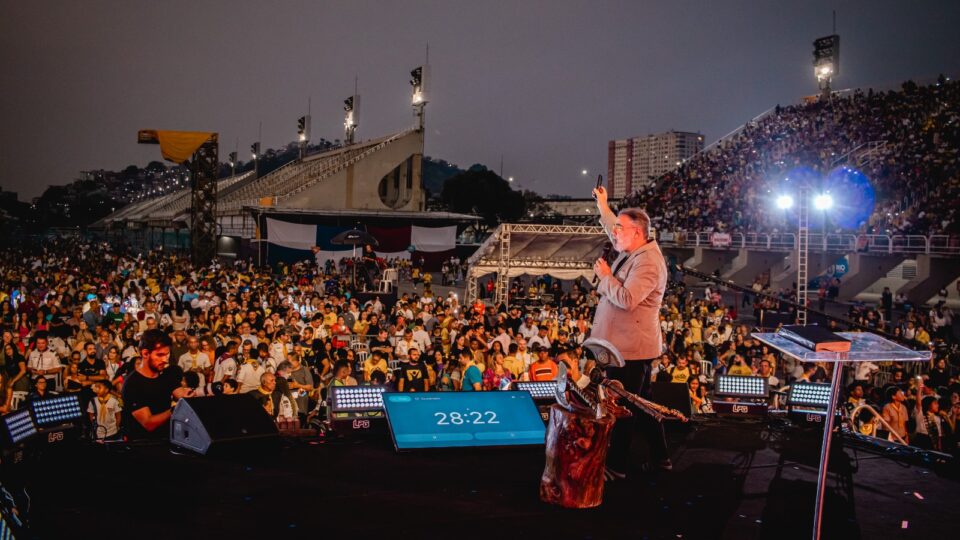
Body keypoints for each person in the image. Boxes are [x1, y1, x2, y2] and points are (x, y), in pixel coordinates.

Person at [591, 185, 670, 477]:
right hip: (626, 345)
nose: (614, 234)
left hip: (631, 349)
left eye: (621, 230)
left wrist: (607, 277)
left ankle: (616, 466)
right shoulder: (637, 246)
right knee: (642, 403)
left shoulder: (648, 262)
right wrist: (603, 204)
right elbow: (615, 224)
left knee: (622, 406)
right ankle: (662, 457)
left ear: (636, 232)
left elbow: (627, 299)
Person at [121, 329, 192, 440]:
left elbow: (183, 395)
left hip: (167, 440)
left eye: (167, 355)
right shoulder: (133, 384)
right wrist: (175, 409)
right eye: (160, 355)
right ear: (145, 353)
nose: (165, 360)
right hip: (143, 446)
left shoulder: (166, 374)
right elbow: (148, 423)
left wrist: (205, 391)